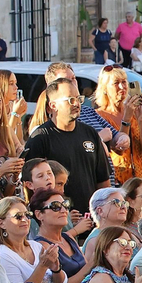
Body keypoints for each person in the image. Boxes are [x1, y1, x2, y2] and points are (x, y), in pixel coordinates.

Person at [21, 80, 112, 213]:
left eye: (78, 98)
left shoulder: (90, 133)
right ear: (53, 105)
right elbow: (30, 188)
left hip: (91, 217)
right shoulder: (40, 138)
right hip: (59, 218)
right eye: (70, 100)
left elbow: (103, 180)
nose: (76, 104)